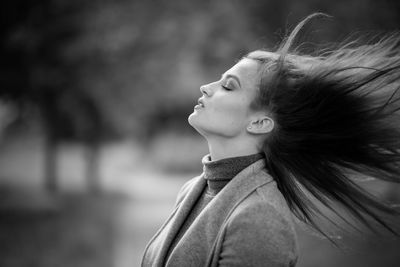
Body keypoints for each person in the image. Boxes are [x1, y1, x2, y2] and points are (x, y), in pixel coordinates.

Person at [141, 13, 400, 267]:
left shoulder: (259, 218)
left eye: (228, 86)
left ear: (260, 123)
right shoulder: (192, 190)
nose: (206, 87)